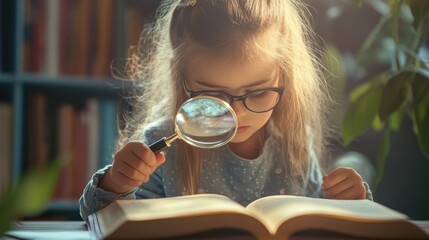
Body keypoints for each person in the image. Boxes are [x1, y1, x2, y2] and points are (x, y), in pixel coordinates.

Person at [79, 0, 373, 221]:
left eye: (257, 93)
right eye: (212, 95)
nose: (236, 114)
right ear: (182, 80)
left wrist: (349, 201)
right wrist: (116, 184)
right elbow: (105, 221)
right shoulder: (164, 145)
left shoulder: (293, 144)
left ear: (285, 78)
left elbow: (316, 220)